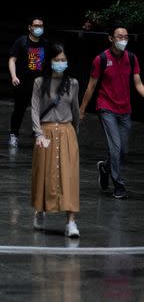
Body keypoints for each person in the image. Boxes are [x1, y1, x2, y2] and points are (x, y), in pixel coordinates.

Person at [79, 24, 144, 200]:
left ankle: (105, 167)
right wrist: (82, 109)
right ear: (111, 38)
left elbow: (138, 83)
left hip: (125, 110)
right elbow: (91, 85)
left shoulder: (131, 58)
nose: (123, 40)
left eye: (126, 37)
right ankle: (119, 186)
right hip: (106, 108)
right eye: (119, 36)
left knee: (123, 150)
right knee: (115, 148)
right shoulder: (101, 59)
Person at [31, 43, 81, 238]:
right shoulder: (39, 82)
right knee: (43, 173)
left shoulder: (73, 83)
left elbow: (75, 110)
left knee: (70, 177)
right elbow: (35, 109)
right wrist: (38, 133)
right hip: (45, 132)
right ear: (49, 62)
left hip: (67, 132)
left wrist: (75, 132)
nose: (61, 63)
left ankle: (71, 222)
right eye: (57, 60)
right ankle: (39, 210)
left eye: (63, 60)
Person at [8, 16, 48, 147]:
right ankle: (14, 134)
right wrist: (14, 76)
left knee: (40, 109)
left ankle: (36, 133)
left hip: (39, 83)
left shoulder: (45, 44)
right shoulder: (22, 42)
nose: (38, 28)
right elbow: (12, 59)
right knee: (19, 109)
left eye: (41, 26)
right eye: (36, 25)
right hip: (23, 82)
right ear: (30, 27)